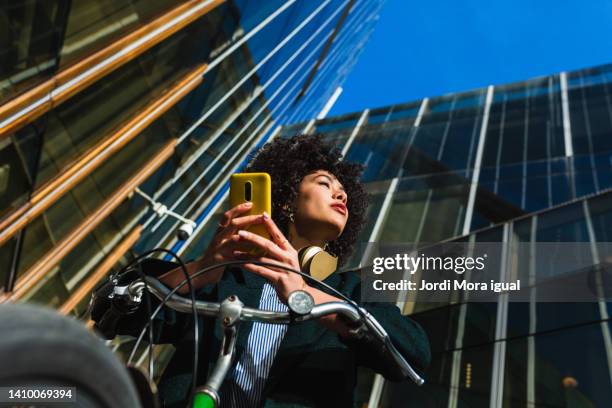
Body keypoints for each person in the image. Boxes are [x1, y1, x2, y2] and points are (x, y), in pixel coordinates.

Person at [92, 134, 431, 408]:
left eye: (344, 191)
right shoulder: (228, 274)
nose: (340, 192)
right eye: (325, 183)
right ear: (285, 199)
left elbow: (415, 353)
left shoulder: (347, 289)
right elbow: (111, 310)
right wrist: (202, 269)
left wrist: (307, 295)